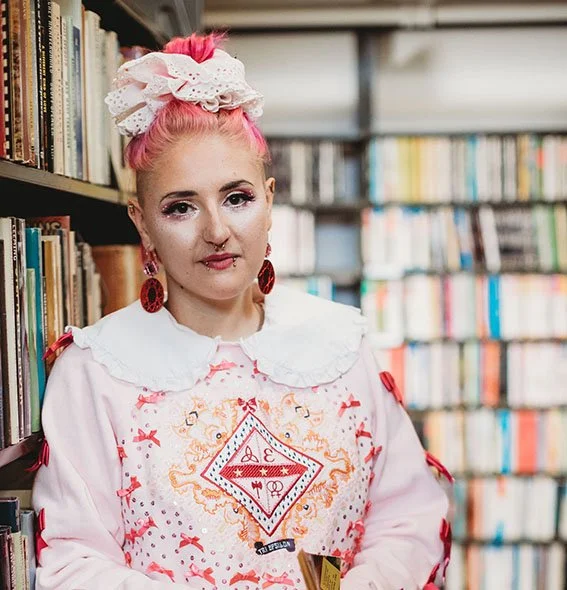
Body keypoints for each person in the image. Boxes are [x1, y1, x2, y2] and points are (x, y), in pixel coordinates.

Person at [32, 32, 452, 590]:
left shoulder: (340, 345)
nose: (217, 231)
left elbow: (407, 520)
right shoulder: (95, 372)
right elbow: (74, 560)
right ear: (142, 223)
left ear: (269, 200)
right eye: (180, 207)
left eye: (237, 198)